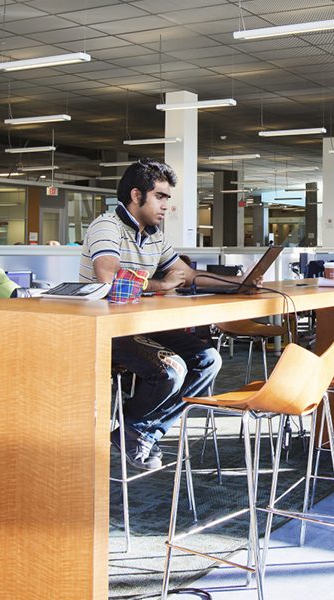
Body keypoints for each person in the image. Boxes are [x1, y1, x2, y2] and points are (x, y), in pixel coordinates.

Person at [80, 158, 223, 471]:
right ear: (136, 196)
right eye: (160, 196)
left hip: (140, 325)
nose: (166, 205)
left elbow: (185, 275)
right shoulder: (107, 226)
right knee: (171, 369)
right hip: (105, 329)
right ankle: (136, 433)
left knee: (208, 360)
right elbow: (108, 277)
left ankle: (136, 431)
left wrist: (240, 282)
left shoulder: (156, 235)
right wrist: (161, 283)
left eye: (167, 198)